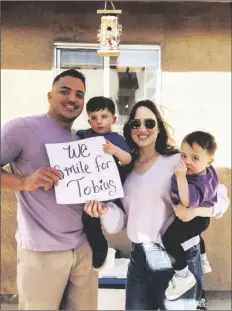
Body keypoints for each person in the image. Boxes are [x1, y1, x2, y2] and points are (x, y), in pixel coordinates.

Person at [84, 100, 229, 310]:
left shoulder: (177, 160)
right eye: (136, 124)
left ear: (159, 127)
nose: (142, 129)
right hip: (139, 259)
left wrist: (196, 211)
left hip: (178, 258)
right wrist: (104, 211)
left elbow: (220, 195)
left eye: (149, 123)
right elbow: (120, 223)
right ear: (129, 129)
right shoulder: (123, 169)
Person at [1, 69, 98, 310]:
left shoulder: (82, 141)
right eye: (64, 91)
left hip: (83, 247)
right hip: (42, 251)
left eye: (79, 94)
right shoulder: (22, 128)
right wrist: (24, 182)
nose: (72, 99)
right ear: (49, 96)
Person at [77, 96, 131, 271]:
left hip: (111, 190)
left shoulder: (115, 138)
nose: (99, 121)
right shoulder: (86, 134)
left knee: (109, 217)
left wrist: (114, 150)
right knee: (89, 219)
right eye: (94, 118)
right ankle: (100, 248)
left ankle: (102, 247)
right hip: (92, 189)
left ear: (113, 119)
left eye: (104, 117)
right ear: (89, 120)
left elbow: (128, 159)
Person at [163, 131, 218, 300]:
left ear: (209, 161)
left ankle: (182, 275)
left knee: (170, 239)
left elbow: (187, 203)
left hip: (194, 219)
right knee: (196, 235)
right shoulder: (207, 172)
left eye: (195, 158)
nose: (187, 162)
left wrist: (181, 179)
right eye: (183, 155)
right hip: (200, 221)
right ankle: (202, 259)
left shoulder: (198, 182)